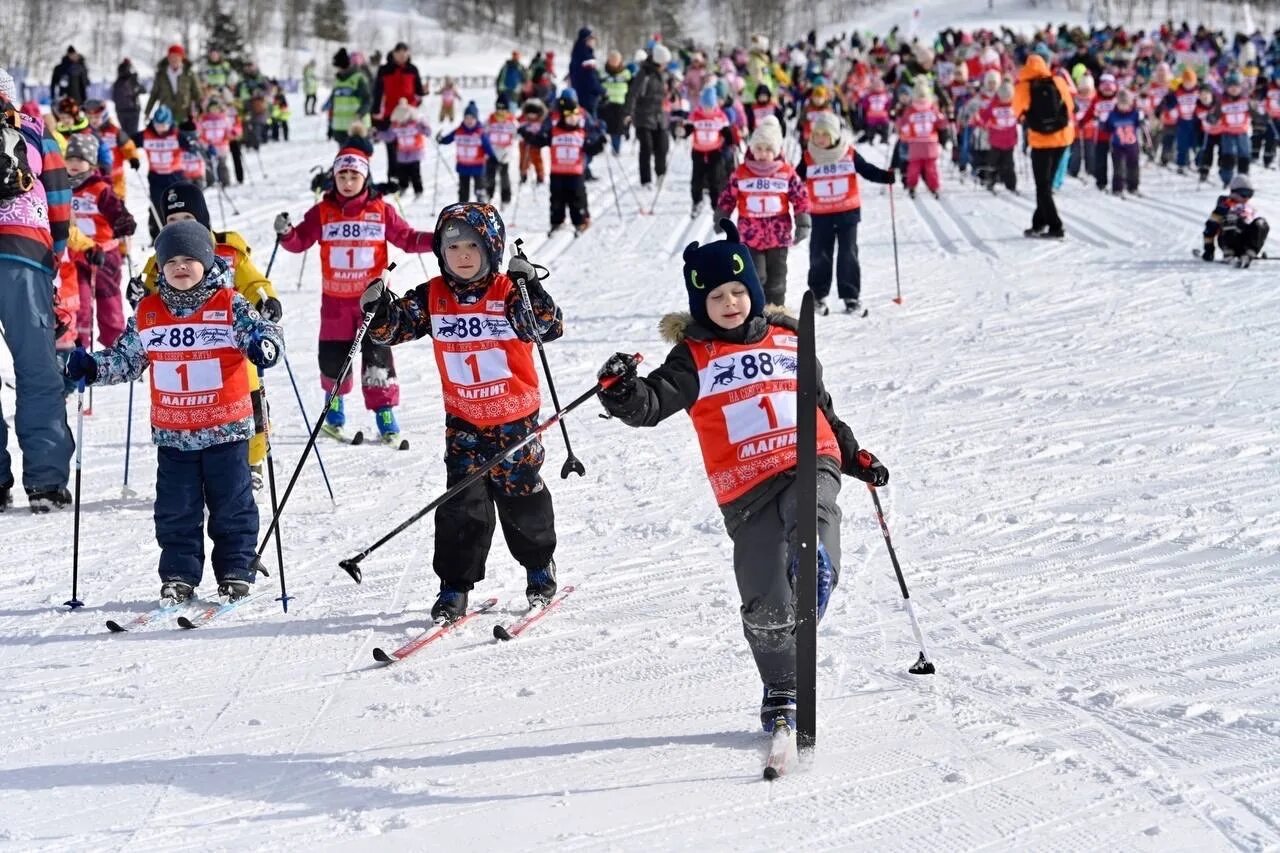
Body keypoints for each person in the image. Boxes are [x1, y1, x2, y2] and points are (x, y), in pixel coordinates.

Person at [592, 220, 888, 733]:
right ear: (699, 304)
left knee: (810, 511)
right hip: (744, 487)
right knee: (764, 599)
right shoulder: (693, 357)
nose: (730, 303)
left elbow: (820, 404)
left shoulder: (790, 337)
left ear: (753, 290)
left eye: (738, 291)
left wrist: (851, 451)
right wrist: (622, 393)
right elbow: (653, 402)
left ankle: (814, 564)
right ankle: (781, 686)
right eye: (716, 297)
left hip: (806, 456)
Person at [63, 220, 284, 603]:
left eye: (190, 259)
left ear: (207, 261)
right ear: (160, 267)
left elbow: (262, 333)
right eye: (172, 261)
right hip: (174, 433)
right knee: (175, 509)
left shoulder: (229, 304)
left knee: (231, 503)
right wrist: (94, 367)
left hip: (225, 429)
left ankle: (236, 566)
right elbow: (126, 359)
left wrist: (264, 344)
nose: (180, 267)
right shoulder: (148, 312)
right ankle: (179, 574)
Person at [362, 202, 562, 623]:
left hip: (515, 419)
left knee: (521, 497)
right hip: (464, 421)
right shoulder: (433, 295)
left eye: (473, 245)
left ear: (492, 248)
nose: (464, 255)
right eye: (453, 247)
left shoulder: (508, 291)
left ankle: (538, 567)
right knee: (461, 504)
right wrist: (380, 309)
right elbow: (394, 327)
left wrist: (532, 287)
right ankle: (454, 585)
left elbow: (544, 327)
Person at [129, 181, 283, 491]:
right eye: (171, 221)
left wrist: (265, 299)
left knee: (246, 396)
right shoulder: (162, 257)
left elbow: (253, 282)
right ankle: (193, 466)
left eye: (187, 219)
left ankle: (251, 461)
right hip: (184, 345)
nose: (179, 227)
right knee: (192, 402)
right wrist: (137, 292)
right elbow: (149, 294)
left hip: (230, 342)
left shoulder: (227, 251)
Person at [275, 146, 433, 444]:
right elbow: (300, 242)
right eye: (342, 175)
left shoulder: (381, 210)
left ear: (365, 177)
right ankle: (333, 416)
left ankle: (385, 416)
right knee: (334, 360)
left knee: (378, 359)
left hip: (373, 304)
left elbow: (408, 239)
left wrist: (439, 239)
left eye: (354, 175)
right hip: (335, 303)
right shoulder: (322, 211)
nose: (348, 182)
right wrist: (286, 234)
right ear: (334, 178)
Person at [0, 68, 75, 513]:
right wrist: (55, 256)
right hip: (26, 251)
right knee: (36, 368)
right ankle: (46, 481)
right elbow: (60, 197)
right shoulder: (33, 129)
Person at [799, 112, 894, 315]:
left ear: (834, 136)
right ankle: (817, 295)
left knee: (848, 254)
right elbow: (794, 179)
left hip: (847, 214)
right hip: (820, 214)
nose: (819, 139)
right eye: (816, 134)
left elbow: (867, 170)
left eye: (824, 135)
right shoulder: (809, 156)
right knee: (819, 255)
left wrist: (886, 176)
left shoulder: (848, 153)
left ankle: (851, 296)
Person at [716, 116, 810, 306]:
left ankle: (776, 312)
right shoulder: (742, 172)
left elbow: (800, 197)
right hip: (750, 236)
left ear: (776, 151)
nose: (763, 153)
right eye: (758, 148)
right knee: (756, 278)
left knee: (777, 279)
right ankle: (757, 313)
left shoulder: (785, 172)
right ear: (751, 148)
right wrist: (722, 215)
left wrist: (803, 222)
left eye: (768, 149)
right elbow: (728, 195)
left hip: (779, 236)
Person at [64, 133, 136, 349]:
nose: (75, 164)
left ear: (91, 162)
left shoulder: (100, 188)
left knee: (109, 304)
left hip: (105, 255)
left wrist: (123, 222)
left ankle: (116, 346)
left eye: (81, 159)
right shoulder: (62, 188)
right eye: (71, 159)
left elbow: (118, 211)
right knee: (81, 304)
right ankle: (79, 348)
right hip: (77, 255)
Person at [519, 89, 605, 235]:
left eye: (575, 116)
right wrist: (527, 135)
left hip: (575, 171)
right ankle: (556, 222)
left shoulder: (580, 132)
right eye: (568, 115)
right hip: (557, 171)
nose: (572, 118)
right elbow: (540, 140)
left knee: (576, 197)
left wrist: (600, 142)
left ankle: (580, 221)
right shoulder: (555, 130)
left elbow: (590, 147)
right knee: (557, 198)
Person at [1011, 52, 1074, 239]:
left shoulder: (1023, 87)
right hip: (1062, 138)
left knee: (1042, 186)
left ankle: (1056, 226)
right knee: (1046, 184)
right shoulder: (1058, 81)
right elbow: (1069, 106)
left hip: (1040, 140)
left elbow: (1018, 112)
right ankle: (1039, 223)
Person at [133, 105, 192, 238]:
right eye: (157, 125)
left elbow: (191, 145)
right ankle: (156, 235)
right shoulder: (145, 135)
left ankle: (185, 232)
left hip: (175, 175)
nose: (160, 128)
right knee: (157, 205)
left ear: (170, 123)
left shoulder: (177, 135)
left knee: (180, 204)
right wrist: (132, 157)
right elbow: (128, 144)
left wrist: (192, 138)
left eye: (164, 125)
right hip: (156, 177)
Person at [372, 43, 426, 181]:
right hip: (391, 114)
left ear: (408, 54)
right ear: (394, 53)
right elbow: (378, 91)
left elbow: (419, 91)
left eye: (405, 52)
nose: (402, 55)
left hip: (409, 115)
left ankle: (410, 177)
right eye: (399, 53)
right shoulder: (384, 70)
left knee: (409, 146)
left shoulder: (413, 69)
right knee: (392, 146)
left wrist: (423, 93)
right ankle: (393, 177)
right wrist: (375, 110)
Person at [685, 85, 737, 218]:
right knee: (697, 179)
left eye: (710, 106)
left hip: (715, 151)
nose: (707, 110)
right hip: (698, 151)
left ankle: (716, 205)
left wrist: (732, 142)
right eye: (705, 106)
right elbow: (688, 129)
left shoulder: (720, 116)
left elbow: (726, 132)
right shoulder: (695, 115)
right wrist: (682, 131)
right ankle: (697, 202)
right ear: (701, 105)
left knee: (715, 180)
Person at [626, 44, 671, 187]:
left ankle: (660, 174)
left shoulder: (664, 74)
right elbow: (633, 94)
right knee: (646, 147)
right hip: (643, 116)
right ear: (658, 62)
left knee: (662, 146)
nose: (666, 65)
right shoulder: (644, 74)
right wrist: (628, 113)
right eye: (664, 63)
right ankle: (646, 181)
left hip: (659, 117)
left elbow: (668, 92)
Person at [1201, 174, 1269, 265]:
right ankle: (1229, 252)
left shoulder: (1248, 208)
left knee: (1261, 222)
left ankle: (1249, 252)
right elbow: (1210, 228)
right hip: (1227, 240)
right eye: (1244, 194)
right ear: (1233, 192)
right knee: (1232, 217)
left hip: (1245, 242)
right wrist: (1209, 249)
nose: (1247, 198)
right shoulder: (1223, 207)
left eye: (1250, 194)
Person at [437, 101, 497, 203]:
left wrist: (493, 157)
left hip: (478, 166)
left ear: (476, 119)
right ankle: (463, 207)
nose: (469, 121)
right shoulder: (459, 131)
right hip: (463, 166)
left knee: (479, 189)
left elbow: (487, 147)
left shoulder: (480, 132)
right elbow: (449, 138)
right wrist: (441, 139)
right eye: (467, 118)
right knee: (463, 190)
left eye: (472, 118)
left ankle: (482, 206)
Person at [898, 78, 946, 199]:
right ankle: (914, 186)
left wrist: (944, 120)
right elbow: (904, 124)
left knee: (929, 167)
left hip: (928, 143)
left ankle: (933, 187)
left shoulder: (931, 109)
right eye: (919, 96)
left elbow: (940, 122)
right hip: (918, 143)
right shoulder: (912, 110)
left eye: (923, 96)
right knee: (917, 167)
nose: (921, 100)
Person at [84, 99, 139, 201]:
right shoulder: (85, 132)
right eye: (90, 117)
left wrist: (133, 158)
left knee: (117, 204)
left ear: (104, 115)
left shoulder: (115, 132)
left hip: (115, 177)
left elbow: (128, 146)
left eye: (96, 117)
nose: (93, 121)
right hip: (93, 177)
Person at [377, 98, 430, 198]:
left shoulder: (415, 124)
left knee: (415, 173)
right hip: (402, 153)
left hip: (415, 152)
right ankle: (403, 187)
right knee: (402, 173)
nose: (401, 122)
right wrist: (378, 134)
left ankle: (418, 190)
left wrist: (425, 127)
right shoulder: (396, 126)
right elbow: (389, 136)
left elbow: (426, 131)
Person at [144, 44, 203, 125]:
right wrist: (147, 112)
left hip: (184, 114)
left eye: (177, 57)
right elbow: (154, 94)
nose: (174, 59)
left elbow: (197, 94)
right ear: (168, 58)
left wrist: (200, 110)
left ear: (182, 58)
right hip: (165, 115)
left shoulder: (189, 74)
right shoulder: (161, 75)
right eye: (172, 56)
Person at [1101, 88, 1143, 196]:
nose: (1124, 107)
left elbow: (1140, 125)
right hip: (1117, 145)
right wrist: (1102, 122)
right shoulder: (1113, 115)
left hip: (1132, 145)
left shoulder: (1134, 114)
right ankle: (1117, 188)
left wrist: (1142, 119)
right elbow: (1107, 128)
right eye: (1121, 104)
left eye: (1126, 104)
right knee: (1118, 168)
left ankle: (1133, 186)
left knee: (1133, 166)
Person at [328, 48, 373, 147]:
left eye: (338, 66)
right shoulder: (338, 80)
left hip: (357, 128)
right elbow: (334, 100)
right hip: (341, 129)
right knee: (344, 161)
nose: (338, 69)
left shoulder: (358, 78)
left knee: (358, 160)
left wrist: (359, 114)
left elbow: (368, 100)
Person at [484, 95, 517, 206]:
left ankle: (506, 197)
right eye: (499, 108)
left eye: (504, 108)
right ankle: (489, 194)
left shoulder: (511, 120)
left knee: (504, 175)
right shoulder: (490, 119)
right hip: (492, 152)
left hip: (505, 152)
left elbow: (517, 134)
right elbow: (484, 133)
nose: (501, 111)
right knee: (490, 174)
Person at [599, 51, 632, 154]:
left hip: (620, 104)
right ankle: (600, 148)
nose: (614, 62)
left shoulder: (626, 73)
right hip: (605, 103)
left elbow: (631, 89)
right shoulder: (602, 72)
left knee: (617, 129)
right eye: (612, 60)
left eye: (616, 60)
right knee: (602, 127)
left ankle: (616, 149)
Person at [517, 98, 548, 185]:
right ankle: (523, 174)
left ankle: (540, 175)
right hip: (524, 143)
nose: (531, 116)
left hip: (535, 143)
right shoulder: (523, 119)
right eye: (529, 113)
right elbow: (516, 125)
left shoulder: (541, 121)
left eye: (534, 114)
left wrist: (539, 137)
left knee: (537, 159)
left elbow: (544, 131)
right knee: (523, 159)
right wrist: (522, 132)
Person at [112, 59, 146, 137]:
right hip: (132, 110)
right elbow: (143, 90)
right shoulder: (132, 80)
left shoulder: (117, 82)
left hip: (120, 110)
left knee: (125, 135)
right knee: (133, 135)